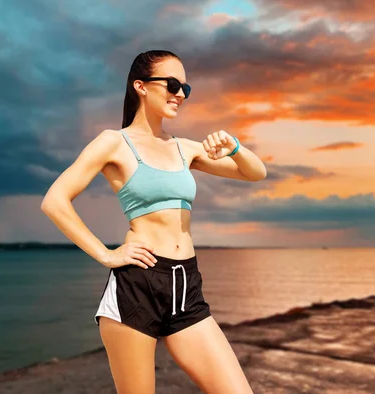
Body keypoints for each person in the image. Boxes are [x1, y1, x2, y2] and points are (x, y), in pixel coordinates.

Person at [41, 50, 266, 393]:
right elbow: (54, 201)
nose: (180, 94)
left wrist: (234, 146)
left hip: (186, 285)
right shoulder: (113, 143)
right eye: (173, 84)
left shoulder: (184, 148)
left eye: (185, 88)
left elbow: (255, 173)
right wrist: (107, 254)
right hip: (137, 286)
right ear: (141, 86)